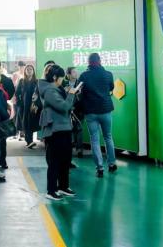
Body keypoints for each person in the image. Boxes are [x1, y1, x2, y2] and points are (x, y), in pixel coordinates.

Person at [38, 65, 79, 201]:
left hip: (64, 127)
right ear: (55, 77)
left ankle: (63, 186)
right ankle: (51, 190)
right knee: (54, 161)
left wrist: (70, 93)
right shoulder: (49, 90)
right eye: (61, 78)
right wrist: (71, 94)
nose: (63, 80)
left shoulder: (57, 89)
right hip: (55, 130)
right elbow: (64, 106)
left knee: (65, 160)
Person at [78, 52, 117, 178]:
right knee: (108, 137)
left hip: (90, 112)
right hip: (105, 109)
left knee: (94, 139)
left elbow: (80, 92)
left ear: (88, 62)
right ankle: (112, 164)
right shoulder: (108, 74)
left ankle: (99, 168)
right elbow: (111, 88)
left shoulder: (84, 76)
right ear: (99, 61)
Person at [16, 64, 38, 149]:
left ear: (33, 71)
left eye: (31, 69)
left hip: (33, 105)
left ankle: (29, 140)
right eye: (27, 69)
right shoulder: (22, 81)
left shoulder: (36, 81)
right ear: (25, 71)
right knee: (25, 122)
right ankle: (29, 141)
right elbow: (17, 93)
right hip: (24, 106)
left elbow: (39, 94)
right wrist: (19, 104)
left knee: (31, 122)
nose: (29, 71)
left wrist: (36, 104)